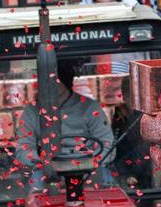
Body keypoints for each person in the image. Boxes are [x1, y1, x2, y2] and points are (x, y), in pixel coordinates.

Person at [14, 59, 114, 188]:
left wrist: (85, 163)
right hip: (46, 169)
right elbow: (23, 150)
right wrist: (46, 163)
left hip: (86, 168)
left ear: (64, 82)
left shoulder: (90, 107)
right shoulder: (31, 111)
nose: (45, 85)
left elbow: (108, 146)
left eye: (51, 80)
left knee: (107, 182)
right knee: (35, 185)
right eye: (43, 80)